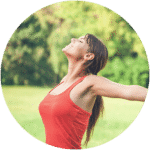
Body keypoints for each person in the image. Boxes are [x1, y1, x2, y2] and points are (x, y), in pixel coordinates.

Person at [39, 33, 148, 149]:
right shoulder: (64, 81)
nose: (72, 39)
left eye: (80, 41)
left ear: (88, 56)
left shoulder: (89, 82)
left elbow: (127, 91)